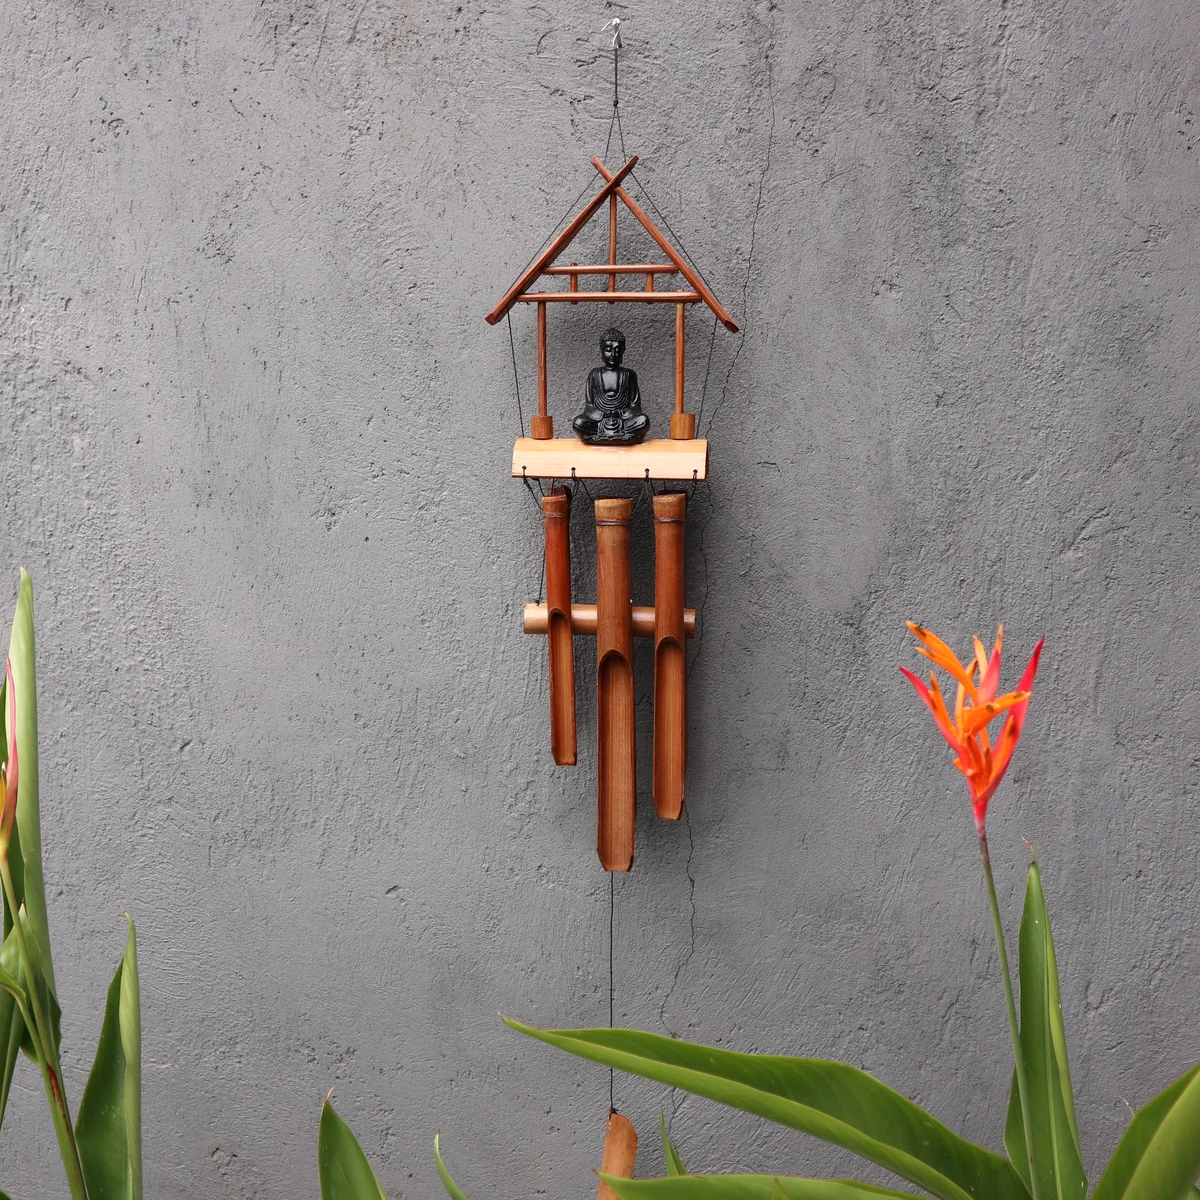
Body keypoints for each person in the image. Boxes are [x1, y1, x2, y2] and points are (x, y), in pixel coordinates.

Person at [572, 327, 650, 445]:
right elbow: (589, 405)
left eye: (617, 350)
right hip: (598, 421)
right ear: (601, 351)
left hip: (623, 421)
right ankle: (619, 437)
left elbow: (635, 405)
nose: (613, 354)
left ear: (623, 351)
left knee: (643, 421)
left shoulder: (629, 374)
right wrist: (603, 414)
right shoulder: (594, 374)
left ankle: (614, 436)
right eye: (608, 349)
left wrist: (620, 413)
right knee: (578, 423)